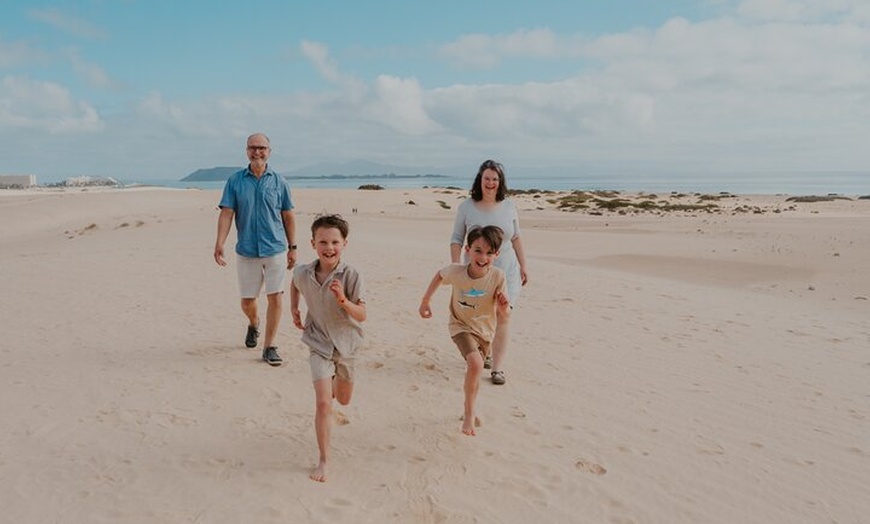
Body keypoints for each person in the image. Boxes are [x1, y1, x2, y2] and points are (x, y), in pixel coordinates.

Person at [290, 214, 366, 482]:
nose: (329, 247)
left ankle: (336, 379)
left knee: (343, 399)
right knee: (324, 403)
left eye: (335, 241)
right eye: (323, 241)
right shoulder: (303, 272)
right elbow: (295, 283)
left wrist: (343, 300)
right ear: (313, 243)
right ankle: (323, 459)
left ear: (344, 243)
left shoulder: (351, 275)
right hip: (318, 342)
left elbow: (362, 315)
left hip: (346, 344)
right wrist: (294, 309)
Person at [214, 133, 297, 366]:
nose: (257, 152)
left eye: (262, 148)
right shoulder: (235, 181)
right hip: (247, 250)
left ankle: (269, 346)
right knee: (247, 302)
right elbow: (227, 213)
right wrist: (220, 242)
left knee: (276, 298)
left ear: (270, 151)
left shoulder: (280, 182)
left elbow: (288, 216)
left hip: (276, 250)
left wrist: (293, 247)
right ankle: (254, 323)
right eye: (252, 148)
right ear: (246, 151)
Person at [419, 225, 511, 436]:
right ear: (467, 249)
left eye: (489, 253)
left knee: (476, 372)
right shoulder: (457, 272)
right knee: (476, 364)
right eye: (478, 250)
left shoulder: (498, 277)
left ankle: (469, 406)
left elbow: (504, 317)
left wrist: (504, 306)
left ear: (496, 254)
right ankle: (469, 415)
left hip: (485, 331)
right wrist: (425, 301)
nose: (483, 257)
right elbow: (439, 276)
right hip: (460, 326)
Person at [450, 159, 528, 385]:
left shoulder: (509, 206)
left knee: (503, 314)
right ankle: (484, 349)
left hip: (507, 269)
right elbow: (456, 239)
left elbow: (516, 237)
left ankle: (497, 369)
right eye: (487, 179)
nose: (491, 183)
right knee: (480, 314)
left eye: (495, 179)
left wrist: (524, 265)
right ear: (480, 180)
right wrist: (457, 267)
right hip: (476, 271)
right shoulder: (466, 207)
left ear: (500, 182)